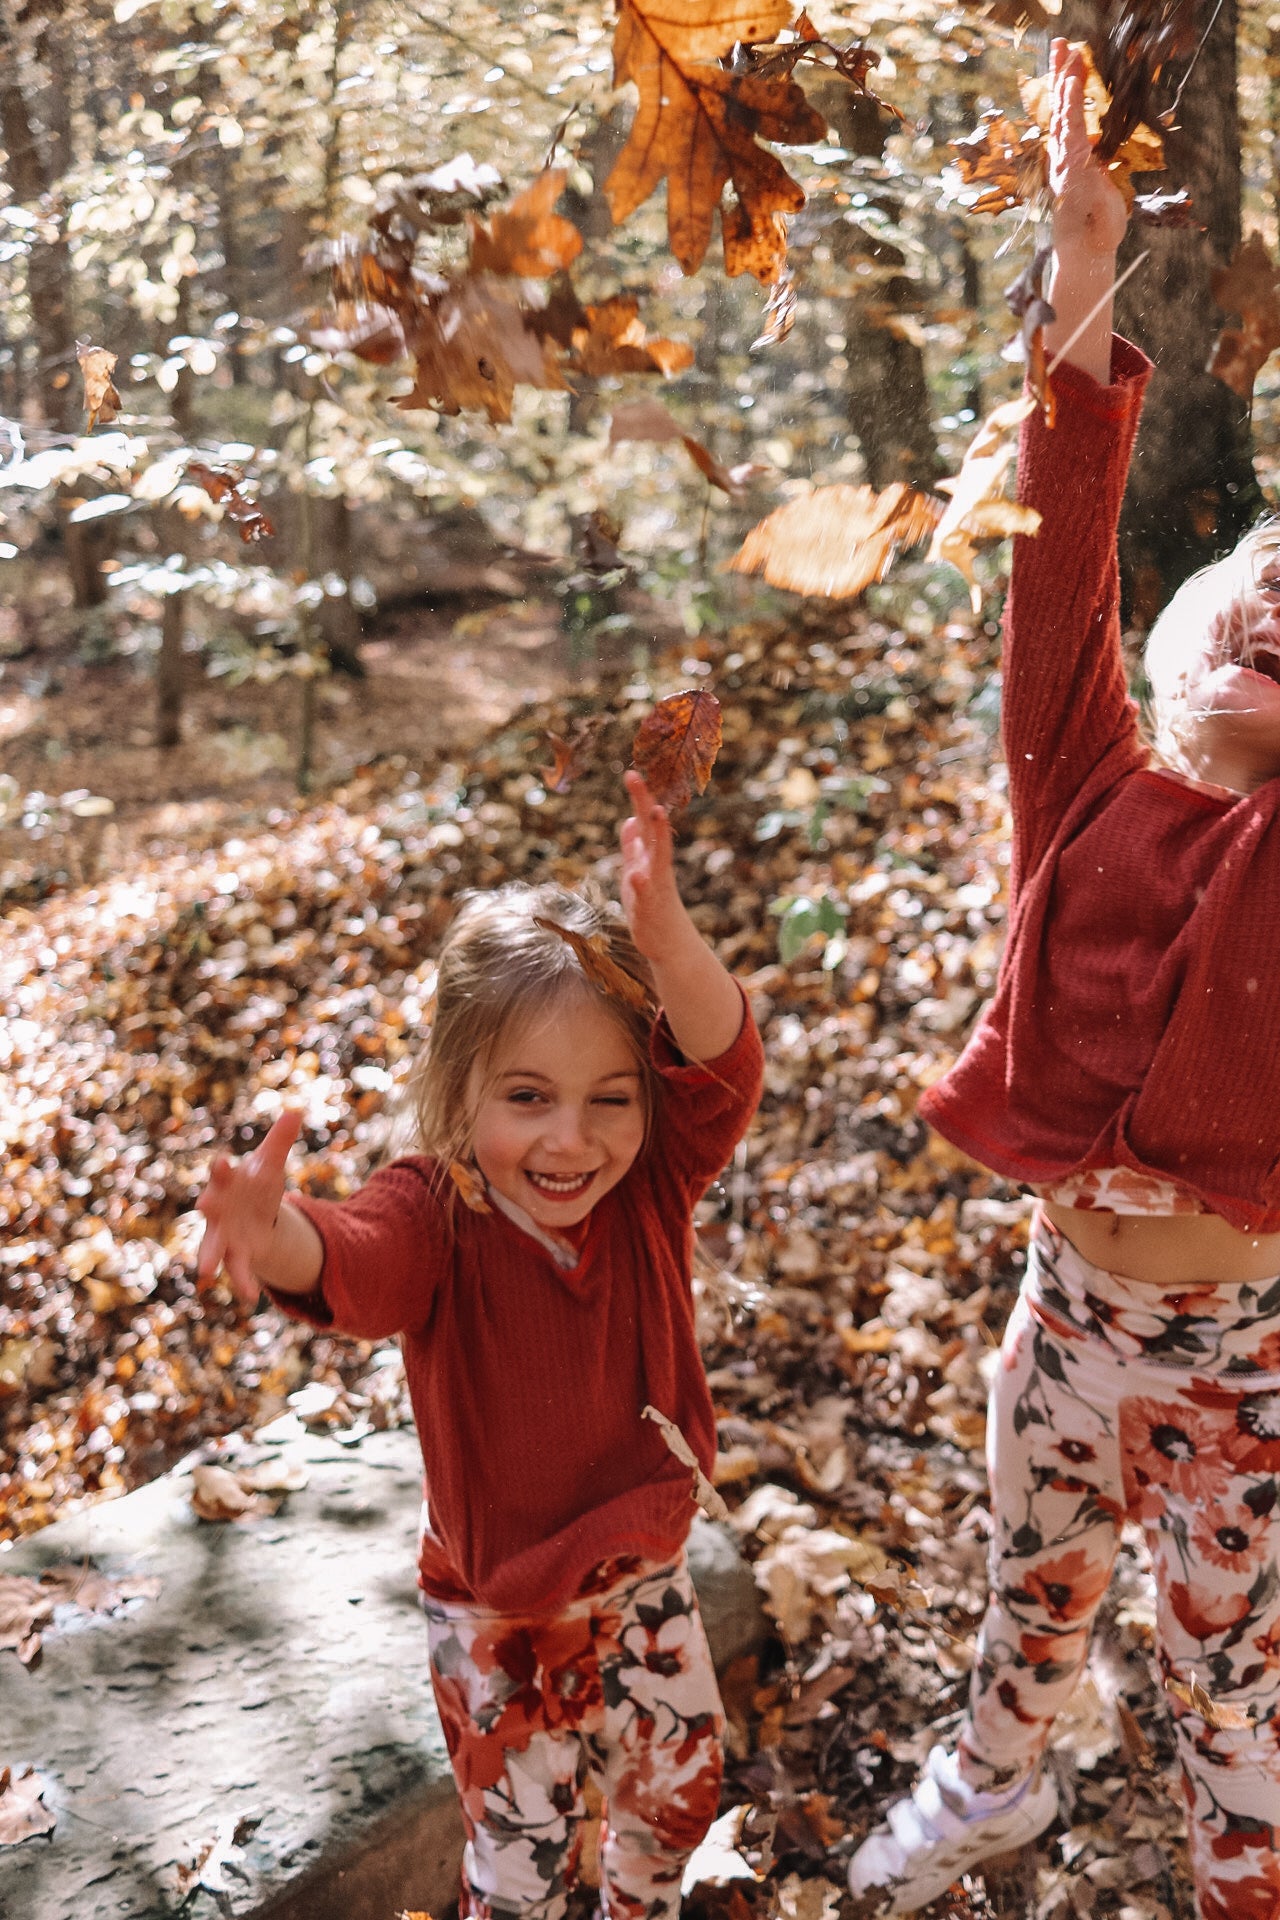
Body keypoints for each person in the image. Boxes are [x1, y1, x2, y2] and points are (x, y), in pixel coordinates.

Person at [848, 40, 1280, 1920]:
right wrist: (1081, 255)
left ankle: (1236, 1870)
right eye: (1254, 588)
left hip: (1240, 1367)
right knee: (1030, 1601)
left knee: (1229, 1684)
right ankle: (996, 1784)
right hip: (1065, 1316)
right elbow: (1060, 543)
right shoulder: (1085, 780)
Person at [197, 769, 764, 1920]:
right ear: (458, 1099)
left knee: (675, 1802)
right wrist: (281, 1231)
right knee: (520, 1873)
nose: (571, 1138)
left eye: (610, 1097)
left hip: (645, 1574)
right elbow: (352, 1264)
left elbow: (721, 1062)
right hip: (497, 1617)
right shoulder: (436, 1211)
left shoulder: (653, 1179)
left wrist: (669, 943)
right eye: (526, 1097)